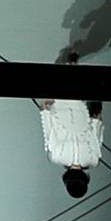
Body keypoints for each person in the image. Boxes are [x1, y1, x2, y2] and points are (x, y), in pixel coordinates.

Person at [37, 60, 105, 197]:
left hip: (81, 108)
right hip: (60, 107)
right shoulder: (55, 158)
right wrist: (44, 109)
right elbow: (49, 133)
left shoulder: (93, 160)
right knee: (62, 68)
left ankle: (74, 61)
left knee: (74, 69)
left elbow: (96, 125)